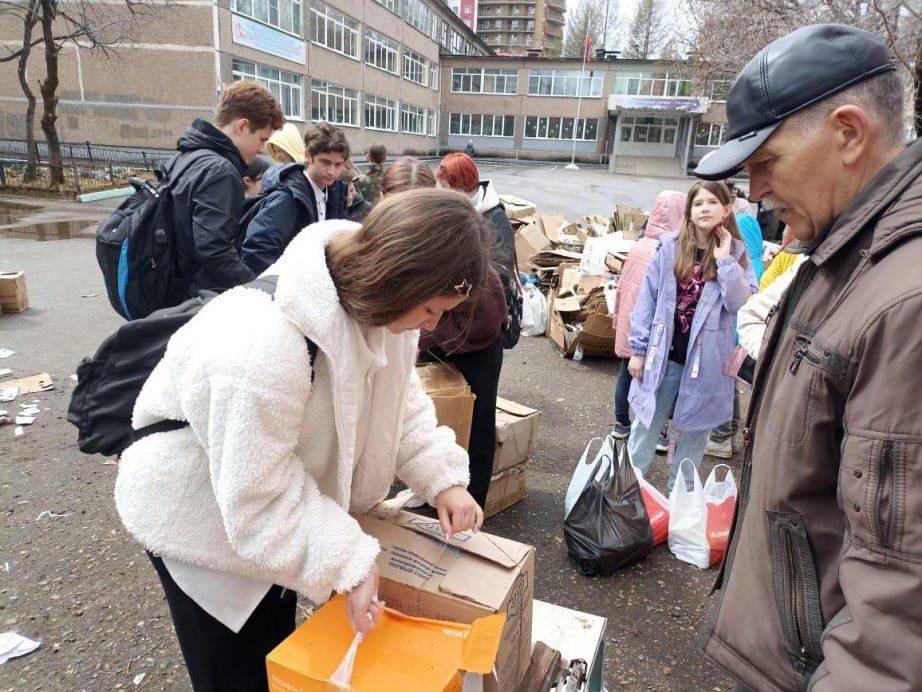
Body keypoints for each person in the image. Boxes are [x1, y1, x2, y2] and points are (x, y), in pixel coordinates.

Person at [114, 188, 489, 691]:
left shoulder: (385, 315)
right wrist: (347, 560)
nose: (433, 325)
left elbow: (399, 406)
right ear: (399, 279)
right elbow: (257, 498)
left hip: (266, 508)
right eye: (430, 308)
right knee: (239, 670)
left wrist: (444, 479)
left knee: (280, 641)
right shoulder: (261, 346)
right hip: (199, 520)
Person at [692, 24, 919, 691]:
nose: (754, 191)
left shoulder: (904, 299)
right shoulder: (845, 250)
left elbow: (900, 605)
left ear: (848, 133)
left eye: (766, 161)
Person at [627, 180, 757, 489]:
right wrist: (638, 349)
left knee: (695, 437)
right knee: (645, 428)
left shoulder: (736, 253)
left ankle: (679, 501)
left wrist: (725, 260)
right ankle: (626, 491)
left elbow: (739, 301)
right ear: (689, 210)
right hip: (665, 357)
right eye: (698, 203)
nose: (704, 209)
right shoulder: (670, 246)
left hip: (709, 363)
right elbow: (648, 298)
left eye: (712, 202)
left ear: (726, 210)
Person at [166, 81, 284, 296]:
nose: (261, 149)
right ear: (242, 126)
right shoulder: (221, 171)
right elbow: (214, 251)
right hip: (191, 294)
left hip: (168, 284)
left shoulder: (188, 155)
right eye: (262, 139)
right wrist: (256, 289)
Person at [612, 190, 686, 453]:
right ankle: (658, 432)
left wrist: (617, 319)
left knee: (625, 373)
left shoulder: (639, 245)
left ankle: (621, 422)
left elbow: (621, 287)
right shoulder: (669, 251)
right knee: (656, 381)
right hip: (651, 330)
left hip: (628, 324)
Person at [241, 121, 349, 275]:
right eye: (325, 162)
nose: (331, 171)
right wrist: (284, 288)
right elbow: (256, 251)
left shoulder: (334, 194)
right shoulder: (287, 197)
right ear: (308, 156)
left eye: (338, 165)